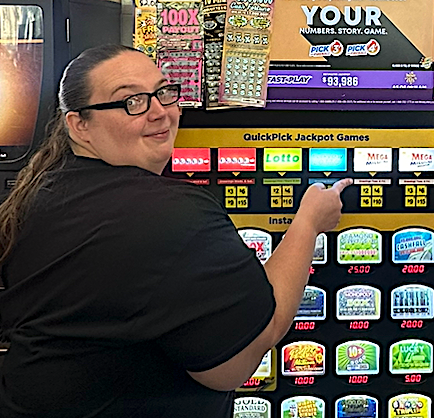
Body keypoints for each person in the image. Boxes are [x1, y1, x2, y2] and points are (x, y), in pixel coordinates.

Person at [0, 44, 352, 417]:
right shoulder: (171, 213)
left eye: (164, 92)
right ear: (79, 125)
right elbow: (235, 365)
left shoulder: (40, 191)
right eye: (132, 101)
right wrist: (308, 223)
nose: (159, 113)